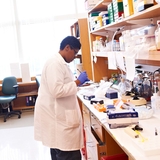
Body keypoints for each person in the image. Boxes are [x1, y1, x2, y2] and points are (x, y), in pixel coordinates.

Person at [34, 36, 89, 160]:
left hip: (57, 118)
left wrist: (76, 83)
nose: (74, 56)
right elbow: (57, 91)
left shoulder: (60, 62)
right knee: (68, 154)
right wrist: (77, 82)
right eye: (74, 53)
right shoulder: (55, 63)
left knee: (59, 152)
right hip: (58, 119)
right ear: (67, 47)